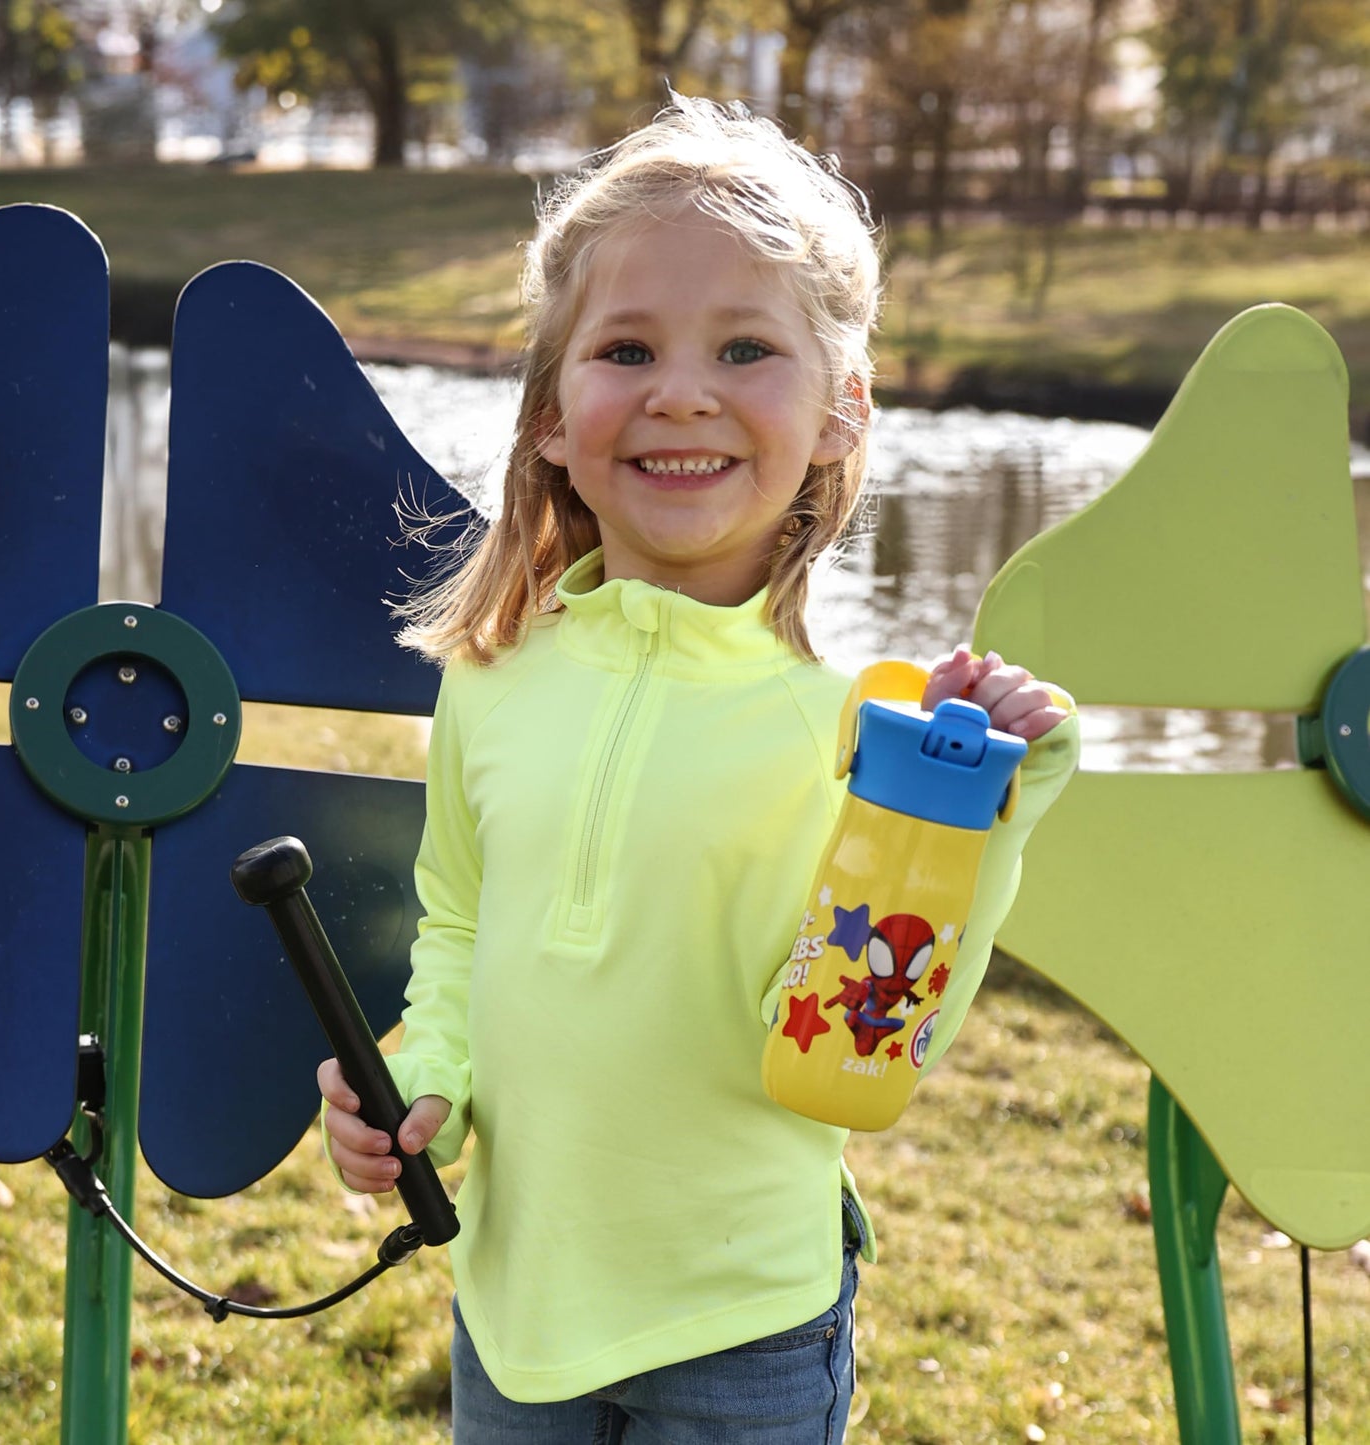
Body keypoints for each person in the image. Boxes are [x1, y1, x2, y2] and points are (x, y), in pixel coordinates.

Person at [319, 92, 1079, 1443]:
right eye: (626, 347)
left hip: (742, 1324)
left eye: (744, 346)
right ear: (552, 413)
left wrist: (984, 815)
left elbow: (870, 1041)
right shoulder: (494, 679)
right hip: (517, 1304)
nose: (680, 391)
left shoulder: (860, 733)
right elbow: (459, 919)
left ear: (841, 412)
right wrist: (423, 1070)